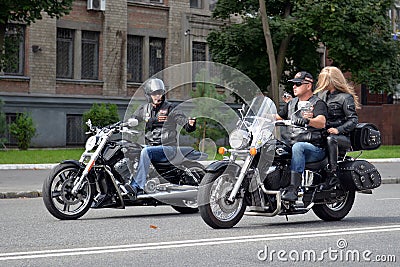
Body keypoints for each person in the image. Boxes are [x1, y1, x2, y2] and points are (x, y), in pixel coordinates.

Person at [123, 78, 196, 197]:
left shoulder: (170, 108)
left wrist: (190, 124)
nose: (158, 96)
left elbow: (183, 122)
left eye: (160, 93)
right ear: (148, 95)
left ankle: (137, 187)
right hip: (151, 146)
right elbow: (132, 120)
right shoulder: (144, 109)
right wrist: (119, 126)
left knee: (146, 152)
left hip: (167, 147)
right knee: (129, 149)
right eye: (154, 94)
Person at [277, 71, 328, 201]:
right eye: (293, 84)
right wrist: (259, 117)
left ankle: (294, 189)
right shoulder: (292, 103)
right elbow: (277, 117)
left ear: (308, 85)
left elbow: (322, 122)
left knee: (298, 147)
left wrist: (308, 121)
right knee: (273, 147)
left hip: (313, 148)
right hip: (292, 143)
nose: (294, 87)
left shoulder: (317, 103)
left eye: (298, 84)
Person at [314, 66, 359, 189]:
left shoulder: (345, 97)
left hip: (341, 137)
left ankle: (332, 175)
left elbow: (353, 120)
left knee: (331, 139)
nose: (322, 82)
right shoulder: (322, 96)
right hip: (323, 132)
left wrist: (338, 130)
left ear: (332, 80)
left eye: (324, 79)